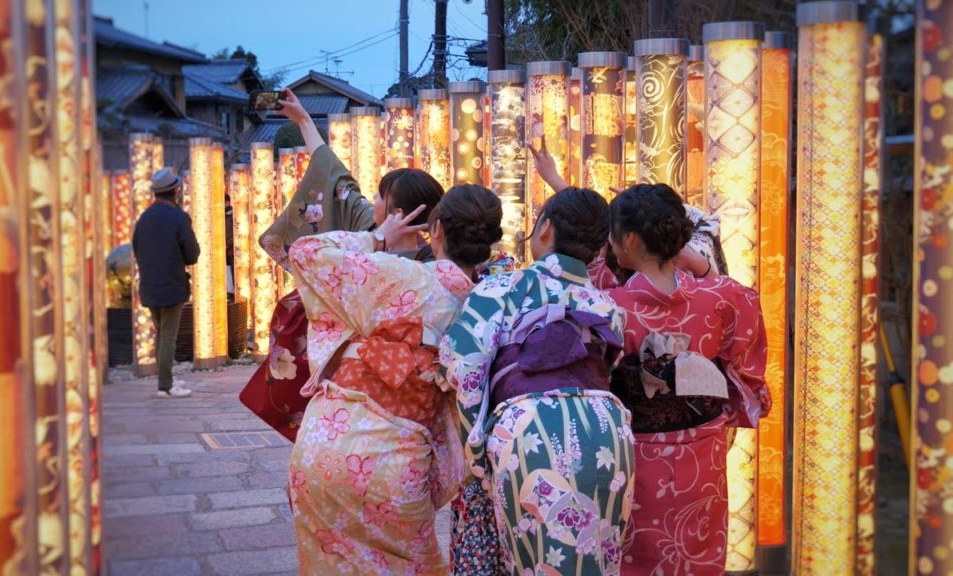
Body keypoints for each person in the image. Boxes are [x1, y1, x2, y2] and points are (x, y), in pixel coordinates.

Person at [287, 185, 504, 574]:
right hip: (396, 462)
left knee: (326, 562)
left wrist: (377, 236)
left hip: (325, 441)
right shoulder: (493, 305)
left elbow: (304, 252)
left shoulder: (399, 276)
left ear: (435, 230)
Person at [440, 187, 635, 575]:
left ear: (544, 229)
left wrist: (476, 450)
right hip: (607, 430)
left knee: (532, 562)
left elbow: (463, 363)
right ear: (598, 247)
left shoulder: (500, 288)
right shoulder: (606, 307)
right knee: (596, 557)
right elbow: (603, 369)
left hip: (530, 430)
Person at [241, 89, 447, 441]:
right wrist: (304, 120)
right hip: (368, 388)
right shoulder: (430, 263)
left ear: (397, 212)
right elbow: (335, 177)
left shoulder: (379, 243)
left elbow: (312, 242)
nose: (372, 201)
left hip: (387, 386)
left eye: (380, 197)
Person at [603, 183, 769, 575]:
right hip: (704, 448)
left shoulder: (611, 307)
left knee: (637, 553)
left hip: (638, 450)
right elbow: (745, 356)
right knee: (698, 550)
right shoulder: (720, 299)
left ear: (627, 240)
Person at [131, 167, 200, 398]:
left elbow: (136, 247)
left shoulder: (144, 218)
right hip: (172, 284)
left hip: (149, 285)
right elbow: (192, 254)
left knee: (161, 332)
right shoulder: (179, 217)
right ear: (175, 190)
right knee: (169, 335)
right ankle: (166, 386)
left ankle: (165, 380)